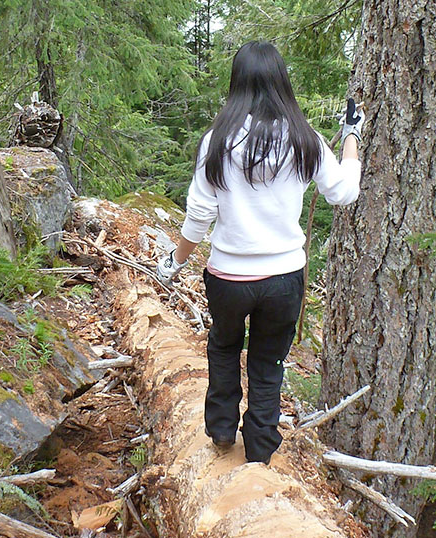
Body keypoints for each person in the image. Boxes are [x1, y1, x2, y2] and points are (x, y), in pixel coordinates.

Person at [156, 40, 364, 465]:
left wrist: (175, 261)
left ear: (238, 84)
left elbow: (199, 214)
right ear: (281, 83)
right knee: (269, 362)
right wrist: (352, 138)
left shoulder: (217, 141)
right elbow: (345, 192)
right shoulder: (306, 140)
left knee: (224, 346)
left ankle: (219, 431)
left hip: (228, 277)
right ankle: (260, 450)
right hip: (285, 278)